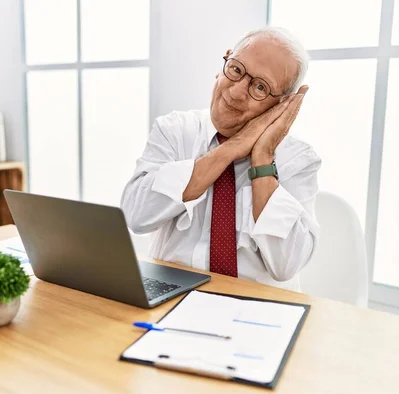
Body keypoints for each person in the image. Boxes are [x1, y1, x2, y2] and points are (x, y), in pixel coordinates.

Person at [120, 26, 320, 291]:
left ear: (281, 105)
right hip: (172, 298)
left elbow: (285, 266)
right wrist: (228, 151)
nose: (236, 92)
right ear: (225, 62)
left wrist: (262, 158)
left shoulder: (298, 159)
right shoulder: (175, 130)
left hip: (256, 313)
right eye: (236, 70)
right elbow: (136, 216)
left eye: (260, 87)